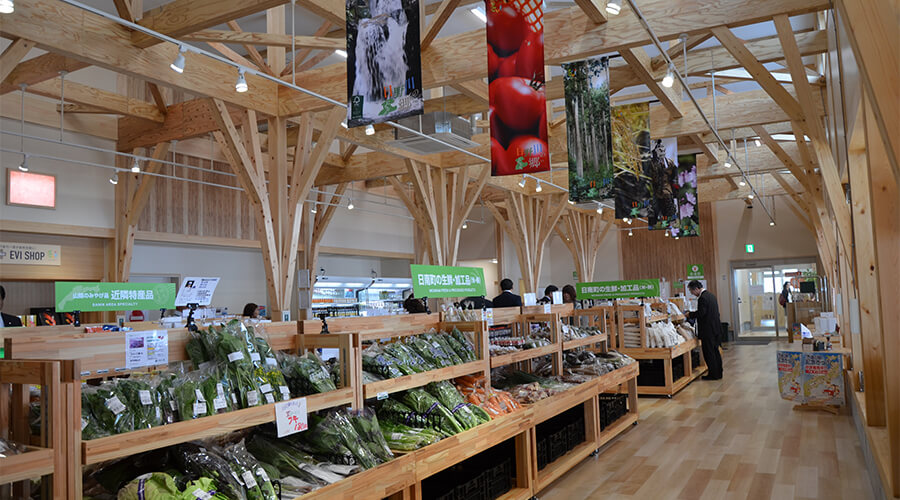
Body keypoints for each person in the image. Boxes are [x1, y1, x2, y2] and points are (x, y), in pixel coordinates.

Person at [686, 280, 723, 380]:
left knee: (709, 352)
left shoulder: (702, 298)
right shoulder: (711, 296)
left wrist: (690, 314)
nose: (692, 294)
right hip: (716, 329)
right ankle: (719, 373)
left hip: (708, 331)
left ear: (696, 289)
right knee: (715, 351)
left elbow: (702, 313)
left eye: (691, 291)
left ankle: (713, 374)